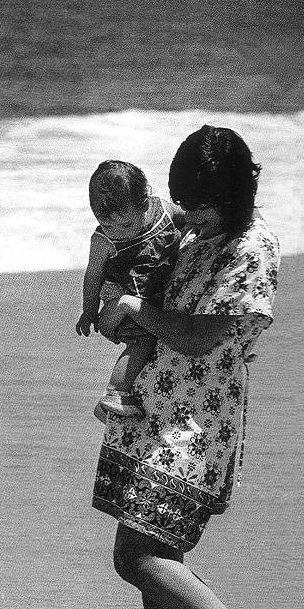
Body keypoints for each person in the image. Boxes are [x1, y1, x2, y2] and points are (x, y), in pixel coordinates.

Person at [92, 125, 282, 609]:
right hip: (154, 408)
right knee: (154, 550)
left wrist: (140, 313)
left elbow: (204, 337)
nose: (190, 215)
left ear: (231, 195)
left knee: (138, 555)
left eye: (199, 203)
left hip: (198, 424)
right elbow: (148, 296)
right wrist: (116, 314)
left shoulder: (250, 247)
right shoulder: (194, 236)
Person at [76, 160, 186, 418]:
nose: (116, 232)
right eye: (106, 225)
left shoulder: (165, 212)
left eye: (124, 225)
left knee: (165, 341)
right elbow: (93, 277)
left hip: (146, 299)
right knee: (143, 341)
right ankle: (115, 393)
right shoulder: (103, 241)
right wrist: (89, 312)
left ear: (145, 202)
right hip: (118, 306)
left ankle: (125, 397)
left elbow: (189, 220)